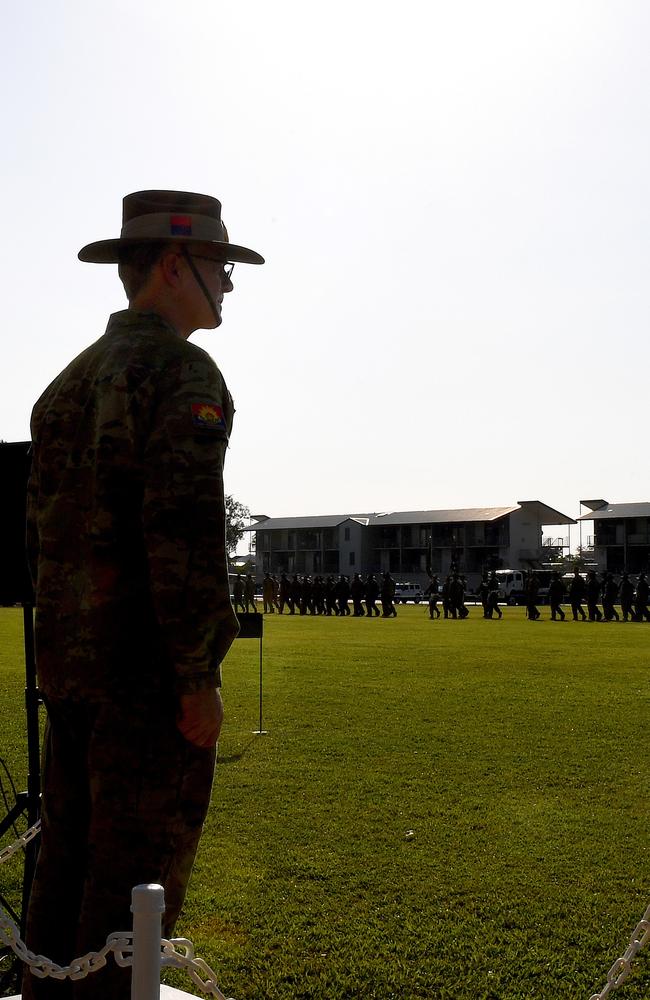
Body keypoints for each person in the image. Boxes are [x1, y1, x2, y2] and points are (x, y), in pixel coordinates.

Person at [23, 189, 263, 1000]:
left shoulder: (65, 385)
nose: (227, 286)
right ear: (172, 265)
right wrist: (197, 677)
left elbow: (43, 542)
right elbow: (182, 534)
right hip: (147, 684)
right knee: (137, 885)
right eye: (219, 268)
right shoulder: (181, 372)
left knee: (64, 866)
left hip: (70, 677)